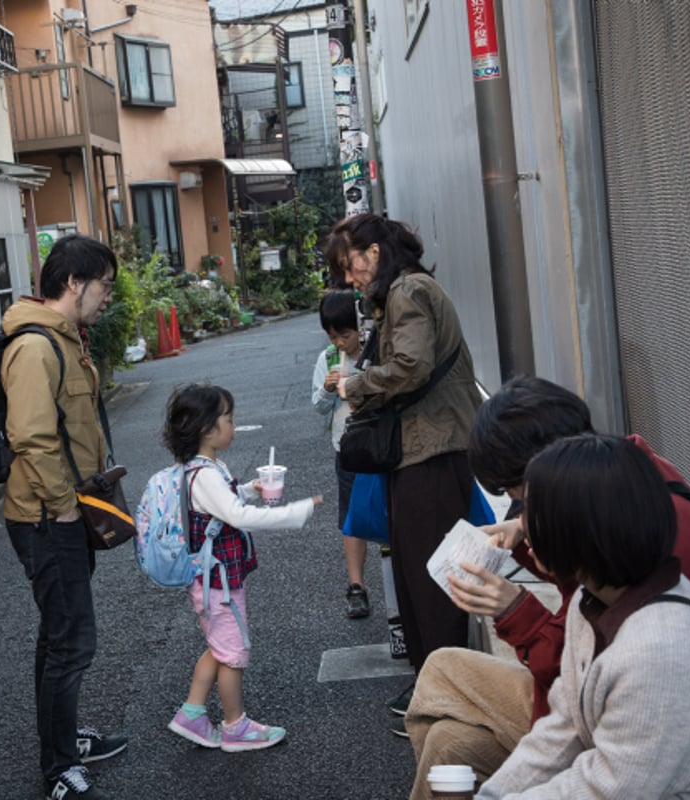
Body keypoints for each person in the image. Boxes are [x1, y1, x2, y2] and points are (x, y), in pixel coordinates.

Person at [404, 375, 690, 800]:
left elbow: (609, 774)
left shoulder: (661, 626)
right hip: (609, 720)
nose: (518, 508)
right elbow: (569, 715)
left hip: (663, 753)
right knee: (448, 738)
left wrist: (518, 614)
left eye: (521, 496)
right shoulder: (620, 510)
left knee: (450, 729)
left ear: (554, 474)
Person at [475, 434, 690, 798]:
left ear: (579, 529)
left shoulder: (658, 649)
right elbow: (564, 726)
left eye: (533, 514)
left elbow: (607, 788)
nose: (523, 527)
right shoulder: (592, 599)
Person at [324, 214, 482, 726]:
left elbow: (411, 367)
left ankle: (445, 697)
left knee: (432, 578)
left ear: (375, 252)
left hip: (431, 452)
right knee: (421, 574)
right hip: (421, 450)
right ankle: (434, 686)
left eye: (351, 267)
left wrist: (355, 385)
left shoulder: (408, 291)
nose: (351, 279)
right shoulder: (405, 291)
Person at [1, 234, 126, 800]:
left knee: (59, 636)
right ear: (74, 283)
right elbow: (30, 436)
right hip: (47, 518)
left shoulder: (63, 338)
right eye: (103, 286)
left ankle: (64, 740)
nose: (106, 298)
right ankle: (58, 769)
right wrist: (65, 508)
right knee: (72, 640)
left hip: (62, 511)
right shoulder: (34, 347)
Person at [162, 384, 322, 752]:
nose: (234, 426)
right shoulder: (204, 475)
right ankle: (235, 726)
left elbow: (226, 502)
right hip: (217, 581)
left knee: (219, 647)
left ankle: (192, 713)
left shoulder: (203, 467)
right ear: (207, 429)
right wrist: (295, 511)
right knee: (233, 654)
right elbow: (235, 514)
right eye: (229, 419)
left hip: (213, 579)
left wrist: (250, 486)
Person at [312, 289, 371, 619]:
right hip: (346, 448)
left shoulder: (374, 351)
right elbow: (319, 407)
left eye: (345, 335)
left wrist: (358, 381)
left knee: (388, 511)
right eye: (332, 336)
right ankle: (356, 586)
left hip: (379, 447)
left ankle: (399, 579)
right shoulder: (327, 360)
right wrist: (328, 389)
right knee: (352, 519)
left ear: (360, 327)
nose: (340, 343)